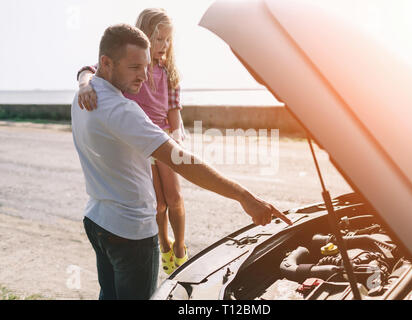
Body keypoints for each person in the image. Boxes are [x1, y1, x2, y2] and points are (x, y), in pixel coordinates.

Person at [71, 23, 292, 300]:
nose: (144, 75)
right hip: (130, 232)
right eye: (134, 67)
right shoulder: (122, 110)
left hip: (97, 220)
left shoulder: (84, 95)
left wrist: (82, 78)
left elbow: (87, 73)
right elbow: (182, 161)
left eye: (146, 65)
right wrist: (244, 196)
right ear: (106, 63)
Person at [77, 8, 188, 275]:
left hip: (162, 137)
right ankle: (164, 243)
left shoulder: (169, 72)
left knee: (174, 197)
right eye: (158, 38)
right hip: (137, 140)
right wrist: (84, 85)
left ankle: (181, 246)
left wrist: (178, 141)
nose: (164, 45)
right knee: (157, 203)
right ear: (146, 37)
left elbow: (175, 112)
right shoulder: (134, 65)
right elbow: (89, 69)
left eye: (168, 40)